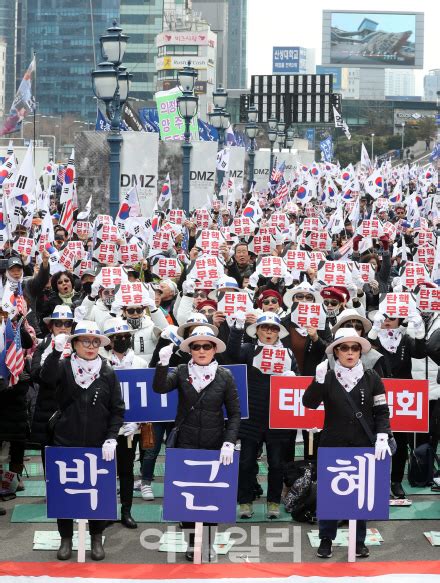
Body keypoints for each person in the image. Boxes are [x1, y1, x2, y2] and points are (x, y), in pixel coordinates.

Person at [153, 325, 240, 561]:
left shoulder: (225, 376)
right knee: (188, 497)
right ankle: (193, 543)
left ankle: (208, 543)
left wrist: (229, 442)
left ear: (214, 349)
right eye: (196, 346)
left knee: (211, 498)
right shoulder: (181, 371)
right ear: (190, 349)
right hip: (186, 443)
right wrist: (162, 364)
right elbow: (159, 387)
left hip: (214, 445)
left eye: (206, 346)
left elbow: (234, 414)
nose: (201, 350)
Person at [303, 328, 392, 559]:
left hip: (362, 444)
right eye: (344, 348)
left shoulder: (372, 377)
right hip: (333, 443)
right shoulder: (328, 376)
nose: (350, 352)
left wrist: (382, 435)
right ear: (336, 352)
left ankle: (359, 540)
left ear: (360, 352)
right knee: (330, 494)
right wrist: (318, 381)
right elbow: (309, 403)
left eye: (355, 348)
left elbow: (382, 411)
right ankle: (326, 538)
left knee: (359, 493)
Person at [42, 320, 125, 561]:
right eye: (85, 341)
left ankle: (96, 537)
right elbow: (45, 378)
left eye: (95, 341)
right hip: (65, 440)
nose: (91, 346)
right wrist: (56, 351)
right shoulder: (64, 366)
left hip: (98, 444)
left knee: (97, 491)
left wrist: (111, 437)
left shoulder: (107, 371)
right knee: (64, 492)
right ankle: (65, 538)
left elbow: (117, 409)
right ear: (75, 343)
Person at [226, 312, 299, 519]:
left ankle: (274, 502)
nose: (269, 332)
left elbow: (298, 383)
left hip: (278, 417)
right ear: (257, 330)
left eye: (273, 328)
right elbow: (231, 353)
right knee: (246, 461)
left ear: (279, 333)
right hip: (252, 415)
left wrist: (292, 377)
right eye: (264, 328)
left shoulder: (289, 354)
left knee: (277, 463)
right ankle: (245, 502)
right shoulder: (248, 349)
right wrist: (237, 328)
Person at [368, 309, 426, 499]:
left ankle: (396, 481)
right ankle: (376, 480)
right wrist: (374, 330)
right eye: (383, 318)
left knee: (400, 441)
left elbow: (419, 353)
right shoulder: (375, 338)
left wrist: (418, 331)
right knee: (376, 438)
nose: (387, 321)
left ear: (399, 320)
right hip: (377, 393)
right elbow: (365, 350)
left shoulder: (405, 338)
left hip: (402, 396)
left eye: (391, 318)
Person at [101, 317, 148, 529]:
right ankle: (107, 510)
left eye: (125, 336)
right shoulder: (102, 363)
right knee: (106, 469)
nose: (122, 340)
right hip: (106, 427)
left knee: (127, 470)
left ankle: (126, 510)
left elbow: (145, 397)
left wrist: (137, 422)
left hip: (130, 428)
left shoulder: (140, 363)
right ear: (109, 340)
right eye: (117, 337)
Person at [29, 305, 74, 468]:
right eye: (58, 323)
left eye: (67, 323)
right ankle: (51, 491)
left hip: (70, 404)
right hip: (47, 405)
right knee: (48, 452)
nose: (63, 327)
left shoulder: (78, 344)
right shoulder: (43, 345)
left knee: (71, 453)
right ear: (51, 326)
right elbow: (34, 373)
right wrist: (52, 361)